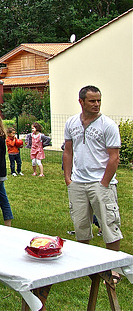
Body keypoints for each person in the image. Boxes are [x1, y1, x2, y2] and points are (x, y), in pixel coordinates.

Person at [63, 85, 122, 273]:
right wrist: (68, 178)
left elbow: (114, 157)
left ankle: (113, 268)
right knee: (81, 225)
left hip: (101, 183)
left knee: (109, 224)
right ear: (81, 102)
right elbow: (68, 151)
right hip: (78, 183)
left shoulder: (108, 125)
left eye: (99, 101)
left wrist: (104, 183)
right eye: (92, 101)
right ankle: (85, 265)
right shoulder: (72, 123)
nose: (97, 104)